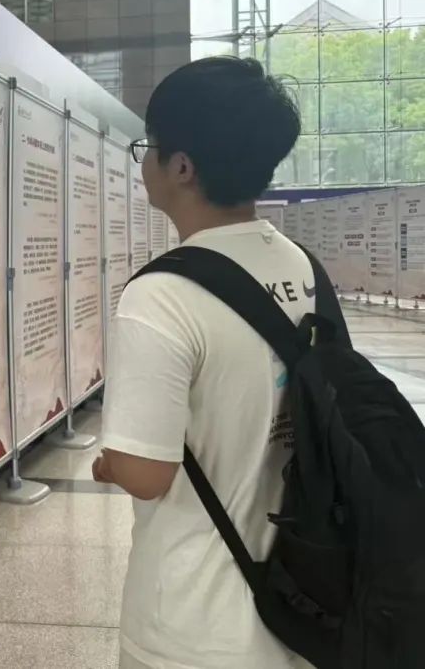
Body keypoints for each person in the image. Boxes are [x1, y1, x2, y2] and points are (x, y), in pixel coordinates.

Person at [93, 57, 312, 669]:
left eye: (149, 146)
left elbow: (146, 474)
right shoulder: (302, 267)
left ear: (182, 167)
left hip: (192, 629)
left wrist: (111, 463)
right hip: (304, 608)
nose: (143, 162)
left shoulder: (162, 295)